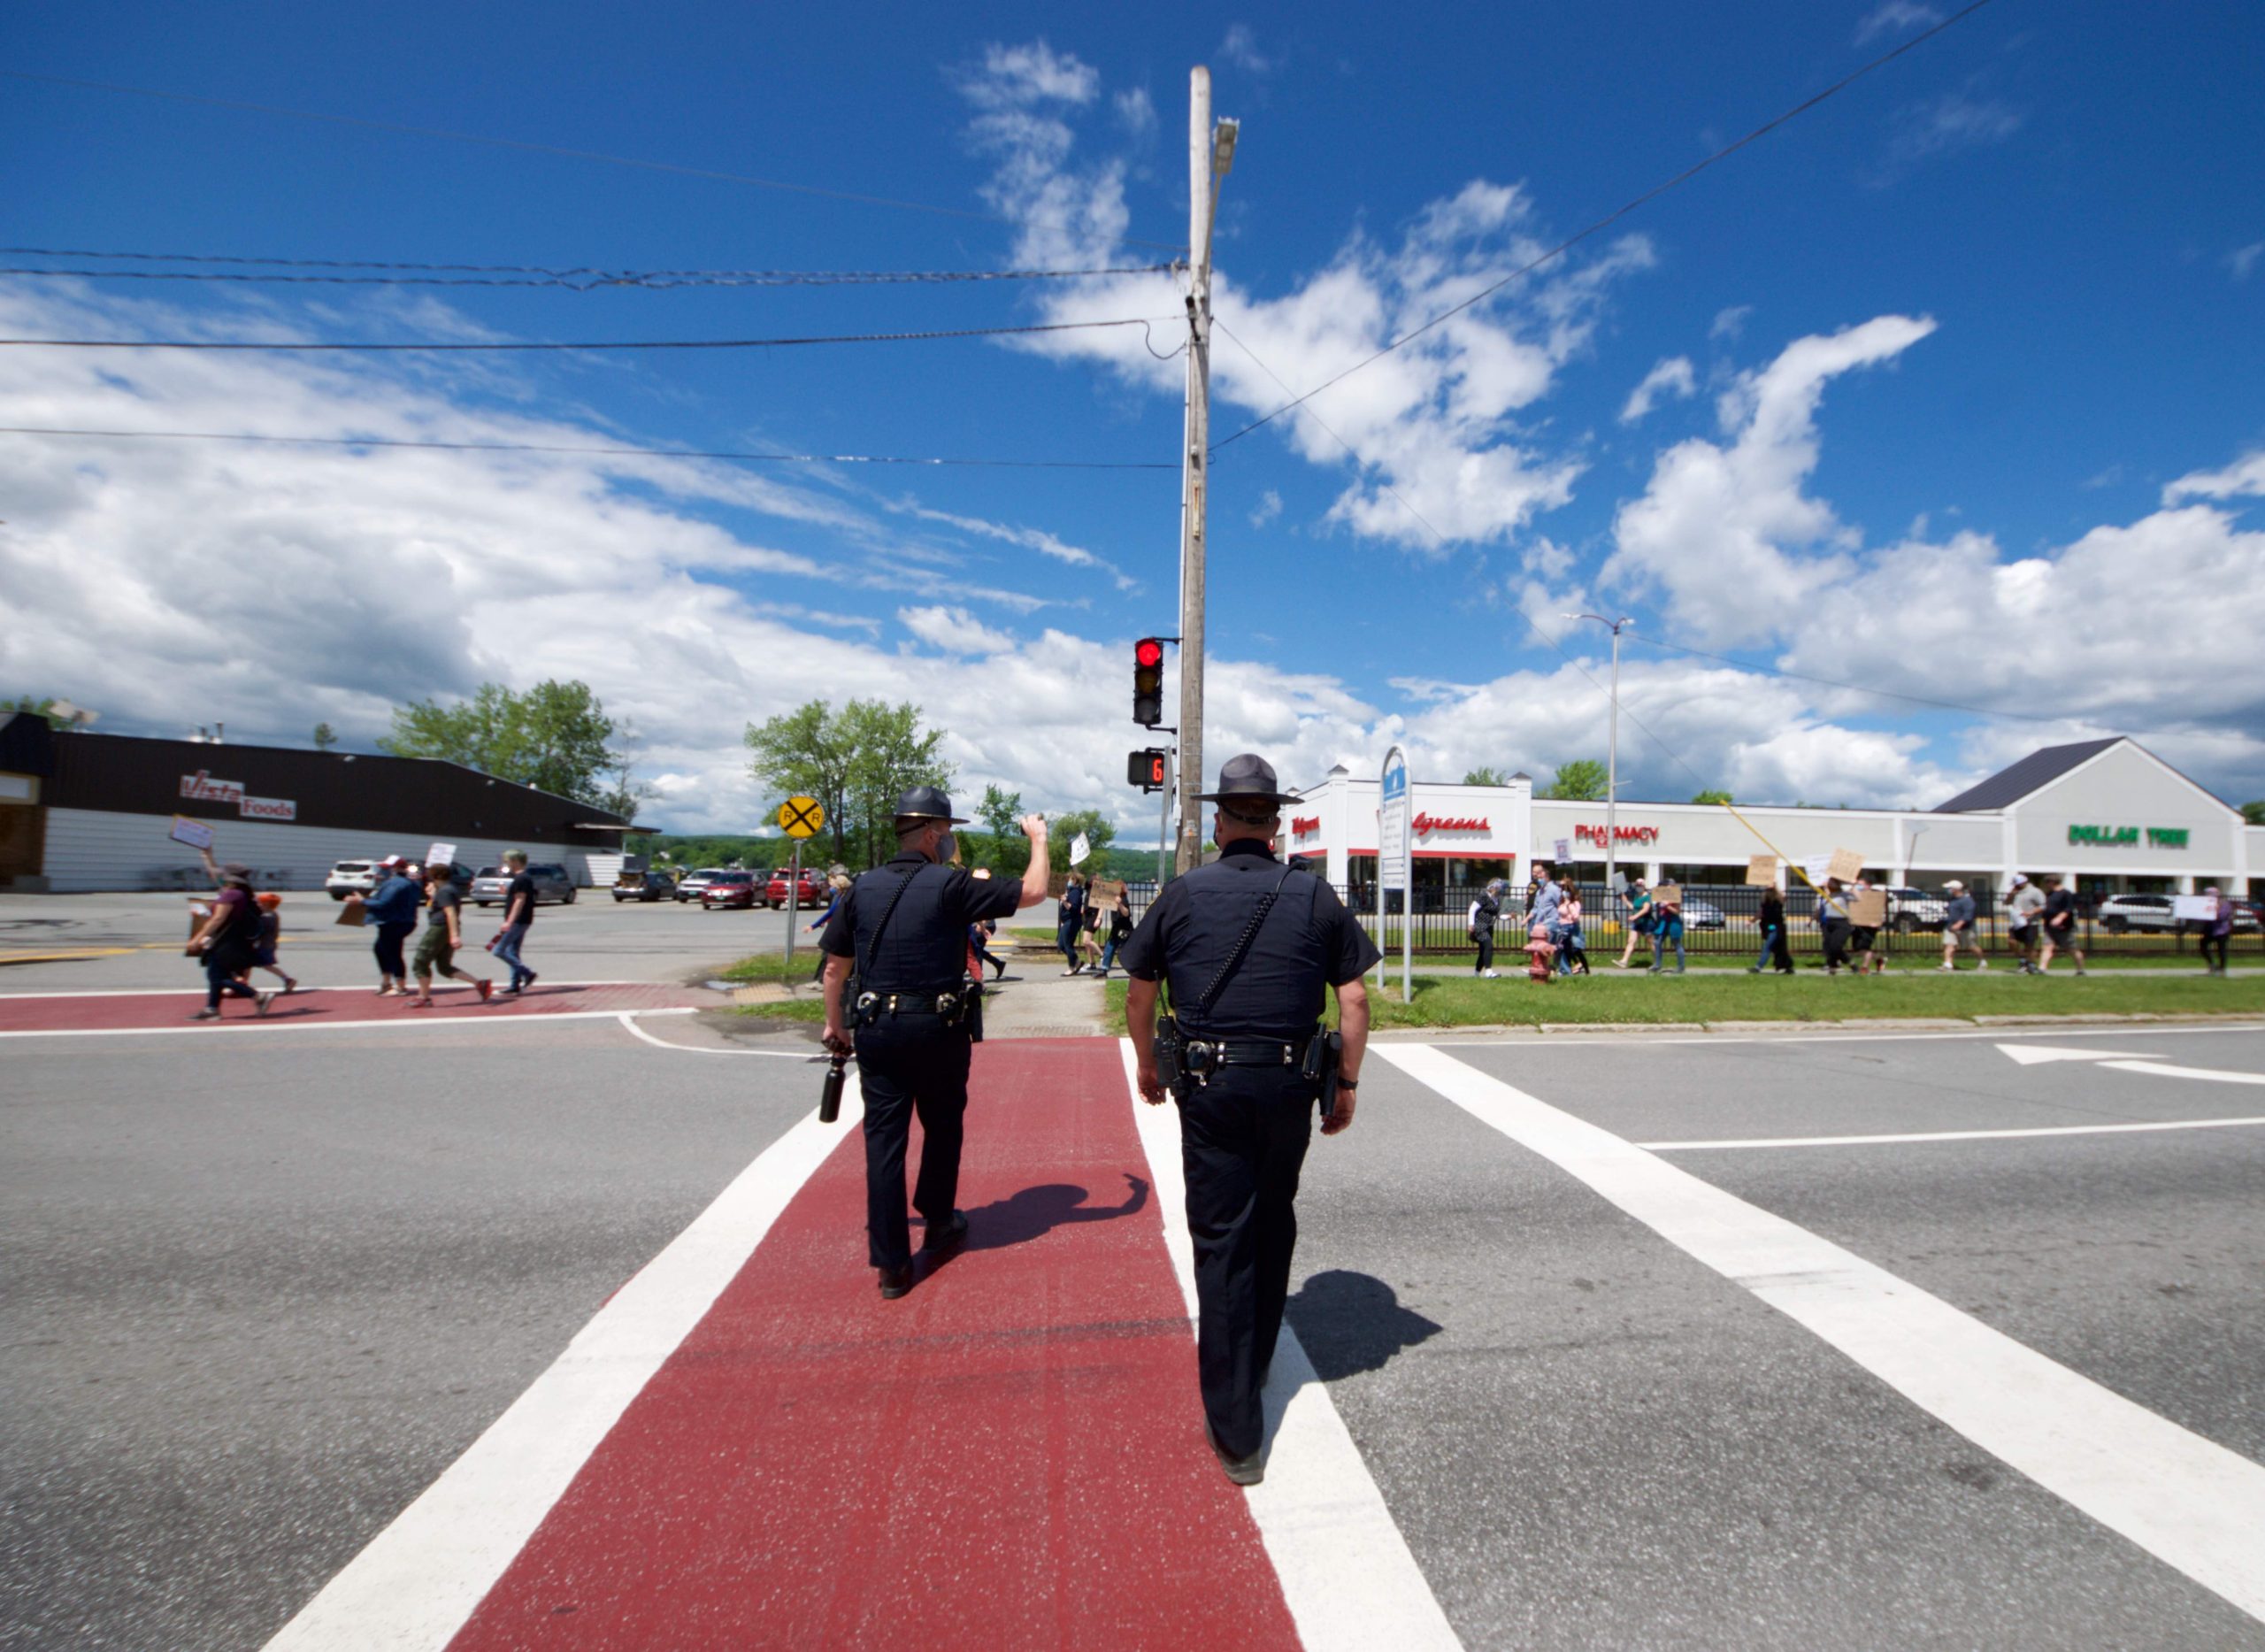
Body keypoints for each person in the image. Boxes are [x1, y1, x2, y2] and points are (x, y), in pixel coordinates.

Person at [1122, 754, 1376, 1487]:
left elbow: (1140, 994)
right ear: (1277, 822)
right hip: (1290, 1084)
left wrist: (1147, 1063)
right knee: (1273, 1219)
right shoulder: (1314, 893)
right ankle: (1258, 1357)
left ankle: (1236, 1431)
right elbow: (1353, 1001)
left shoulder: (1182, 892)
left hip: (1211, 1084)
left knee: (1223, 1237)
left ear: (1222, 820)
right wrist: (1347, 1083)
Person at [822, 789, 1051, 1301]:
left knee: (884, 1143)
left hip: (877, 1027)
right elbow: (1035, 892)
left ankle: (891, 1266)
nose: (950, 841)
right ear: (931, 833)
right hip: (938, 1027)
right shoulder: (952, 886)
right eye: (947, 831)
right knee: (943, 1126)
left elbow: (836, 967)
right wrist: (1037, 838)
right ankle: (939, 1218)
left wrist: (835, 1025)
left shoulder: (861, 888)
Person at [185, 861, 274, 1020]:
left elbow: (218, 919)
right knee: (216, 974)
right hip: (235, 941)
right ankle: (212, 1009)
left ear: (229, 878)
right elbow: (214, 873)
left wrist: (196, 939)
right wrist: (207, 853)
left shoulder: (231, 895)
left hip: (226, 942)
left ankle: (257, 996)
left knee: (217, 976)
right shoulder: (242, 893)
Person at [411, 862, 493, 1007]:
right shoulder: (447, 889)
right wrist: (432, 895)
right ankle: (480, 984)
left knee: (420, 961)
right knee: (444, 967)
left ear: (435, 875)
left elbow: (450, 913)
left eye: (430, 873)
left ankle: (423, 997)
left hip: (440, 929)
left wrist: (454, 936)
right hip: (445, 928)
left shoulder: (445, 891)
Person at [364, 856, 422, 995]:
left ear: (396, 868)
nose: (386, 870)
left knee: (392, 952)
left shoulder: (395, 883)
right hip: (405, 921)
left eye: (388, 868)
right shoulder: (412, 882)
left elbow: (383, 903)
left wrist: (361, 901)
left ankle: (400, 986)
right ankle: (387, 982)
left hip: (393, 922)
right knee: (380, 949)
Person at [489, 849, 540, 994]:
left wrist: (509, 921)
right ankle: (514, 984)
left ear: (516, 861)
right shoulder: (522, 879)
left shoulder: (521, 879)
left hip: (518, 921)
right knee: (513, 951)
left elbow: (519, 901)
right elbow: (518, 896)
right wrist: (506, 892)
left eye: (508, 861)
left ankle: (527, 973)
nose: (507, 864)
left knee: (498, 950)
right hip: (522, 920)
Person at [2035, 875, 2087, 975]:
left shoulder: (2066, 894)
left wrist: (2059, 918)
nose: (2046, 885)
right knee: (2047, 947)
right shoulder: (2049, 894)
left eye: (2047, 883)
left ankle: (2080, 969)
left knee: (2072, 949)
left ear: (2052, 882)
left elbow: (2068, 908)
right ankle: (2042, 968)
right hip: (2049, 927)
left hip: (2064, 927)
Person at [250, 890, 297, 995]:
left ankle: (287, 979)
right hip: (269, 944)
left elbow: (259, 929)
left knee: (265, 965)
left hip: (265, 945)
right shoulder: (272, 914)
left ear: (266, 904)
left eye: (259, 903)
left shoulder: (267, 917)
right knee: (263, 965)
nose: (258, 905)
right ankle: (287, 979)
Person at [1938, 880, 1984, 972]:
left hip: (1966, 928)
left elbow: (1968, 914)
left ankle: (1981, 961)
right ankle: (1948, 964)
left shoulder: (1967, 901)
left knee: (1972, 946)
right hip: (1951, 927)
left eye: (1949, 888)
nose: (1948, 890)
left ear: (1955, 889)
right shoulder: (1952, 900)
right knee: (1949, 945)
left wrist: (1959, 924)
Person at [2005, 873, 2046, 975]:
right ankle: (2022, 959)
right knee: (2011, 941)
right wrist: (2011, 895)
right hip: (2017, 922)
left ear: (2024, 883)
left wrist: (2031, 912)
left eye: (2018, 884)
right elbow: (2006, 902)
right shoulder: (2015, 892)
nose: (2016, 886)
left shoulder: (2035, 892)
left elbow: (2043, 905)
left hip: (2030, 922)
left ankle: (2031, 964)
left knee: (2030, 945)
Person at [1753, 885, 1794, 973]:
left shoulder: (1777, 902)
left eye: (1770, 891)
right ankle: (1787, 966)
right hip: (1769, 927)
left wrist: (1776, 886)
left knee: (1767, 946)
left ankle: (1759, 966)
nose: (1767, 893)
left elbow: (1783, 898)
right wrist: (1752, 920)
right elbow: (1761, 913)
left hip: (1775, 927)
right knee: (1778, 948)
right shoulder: (1765, 903)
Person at [1468, 879, 1504, 978]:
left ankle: (1476, 974)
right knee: (1489, 946)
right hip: (1480, 926)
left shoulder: (1496, 899)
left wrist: (1510, 916)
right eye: (1498, 887)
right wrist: (1471, 924)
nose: (1500, 890)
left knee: (1483, 952)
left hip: (1489, 927)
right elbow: (1472, 909)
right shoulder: (1483, 895)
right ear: (1493, 887)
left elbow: (1498, 916)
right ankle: (1489, 972)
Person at [1616, 876, 1654, 969]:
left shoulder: (1647, 897)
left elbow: (1645, 909)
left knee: (1651, 943)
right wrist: (1625, 900)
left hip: (1646, 923)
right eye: (1637, 885)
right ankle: (1624, 961)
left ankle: (1657, 962)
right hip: (1637, 923)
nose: (1639, 886)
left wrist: (1635, 916)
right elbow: (1634, 907)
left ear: (1644, 886)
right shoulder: (1637, 896)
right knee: (1631, 941)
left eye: (1640, 885)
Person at [1817, 879, 1854, 975]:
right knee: (1829, 946)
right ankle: (1834, 967)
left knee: (1836, 946)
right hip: (1828, 922)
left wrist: (1853, 885)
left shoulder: (1845, 895)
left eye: (1832, 882)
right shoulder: (1824, 896)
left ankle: (1849, 963)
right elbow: (1820, 908)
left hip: (1841, 922)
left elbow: (1857, 899)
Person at [1647, 885, 1685, 973]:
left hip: (1673, 922)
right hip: (1663, 922)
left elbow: (1677, 911)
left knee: (1677, 944)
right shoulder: (1662, 898)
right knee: (1657, 942)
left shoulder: (1676, 899)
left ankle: (1681, 967)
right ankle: (1657, 965)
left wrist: (1667, 906)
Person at [1056, 872, 1088, 975]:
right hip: (1067, 921)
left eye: (1070, 879)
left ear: (1075, 881)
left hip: (1072, 921)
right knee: (1061, 945)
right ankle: (1077, 962)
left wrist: (1065, 901)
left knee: (1067, 944)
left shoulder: (1075, 892)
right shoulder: (1071, 891)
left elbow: (1073, 908)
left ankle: (1072, 967)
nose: (1068, 881)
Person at [2200, 885, 2234, 976]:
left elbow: (2222, 916)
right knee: (2203, 946)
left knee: (2221, 950)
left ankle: (2222, 969)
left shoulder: (2224, 904)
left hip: (2222, 930)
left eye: (2209, 894)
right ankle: (2212, 965)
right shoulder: (2206, 904)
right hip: (2210, 930)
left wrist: (2214, 910)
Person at [1557, 885, 1590, 975]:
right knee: (1566, 949)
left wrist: (1569, 906)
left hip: (1571, 927)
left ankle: (1584, 969)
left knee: (1575, 950)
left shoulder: (1573, 904)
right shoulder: (1562, 903)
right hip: (1562, 926)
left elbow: (1575, 916)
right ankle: (1566, 969)